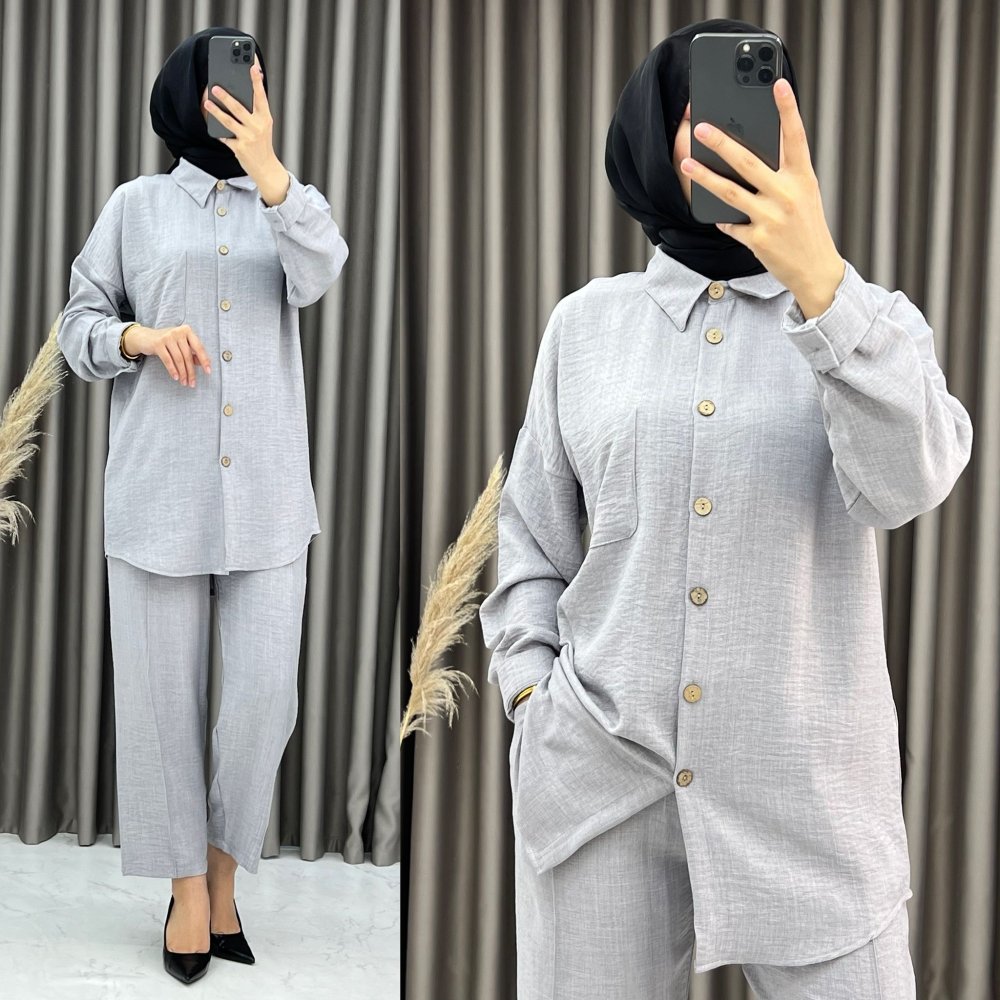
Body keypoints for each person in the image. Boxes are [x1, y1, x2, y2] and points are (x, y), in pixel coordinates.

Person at [478, 17, 972, 1000]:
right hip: (600, 784)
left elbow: (909, 484)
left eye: (750, 111)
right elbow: (530, 539)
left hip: (811, 804)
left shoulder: (868, 320)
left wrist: (821, 284)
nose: (724, 133)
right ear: (650, 131)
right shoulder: (585, 326)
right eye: (695, 111)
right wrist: (532, 696)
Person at [57, 25, 348, 985]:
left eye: (257, 77)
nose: (247, 87)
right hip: (157, 495)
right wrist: (137, 339)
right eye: (232, 75)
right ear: (190, 91)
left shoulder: (289, 204)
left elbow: (321, 270)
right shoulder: (134, 206)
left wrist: (270, 169)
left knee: (264, 701)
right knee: (156, 708)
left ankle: (225, 873)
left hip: (269, 499)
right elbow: (77, 326)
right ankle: (187, 890)